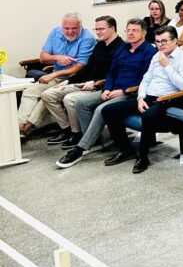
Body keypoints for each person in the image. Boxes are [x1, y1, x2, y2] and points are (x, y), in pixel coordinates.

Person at [56, 19, 157, 168]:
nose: (130, 33)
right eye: (128, 30)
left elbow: (147, 80)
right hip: (112, 89)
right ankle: (93, 139)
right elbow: (111, 72)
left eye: (134, 30)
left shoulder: (149, 52)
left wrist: (121, 91)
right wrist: (107, 89)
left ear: (144, 32)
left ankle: (81, 149)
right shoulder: (123, 49)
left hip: (131, 93)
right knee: (81, 103)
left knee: (101, 109)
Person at [101, 25, 183, 174]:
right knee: (108, 110)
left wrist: (167, 66)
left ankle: (143, 157)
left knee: (148, 116)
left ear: (175, 41)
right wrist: (140, 98)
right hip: (149, 97)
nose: (160, 45)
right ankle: (126, 150)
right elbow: (146, 79)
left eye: (164, 41)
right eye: (157, 41)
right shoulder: (156, 56)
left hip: (169, 99)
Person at [40, 16, 123, 147]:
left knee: (69, 99)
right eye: (96, 29)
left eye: (102, 29)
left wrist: (96, 81)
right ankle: (67, 129)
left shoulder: (121, 48)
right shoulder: (100, 45)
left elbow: (116, 74)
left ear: (112, 28)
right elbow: (87, 67)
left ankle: (77, 133)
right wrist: (69, 81)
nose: (99, 32)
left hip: (101, 85)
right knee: (48, 94)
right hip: (86, 82)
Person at [17, 13, 96, 135]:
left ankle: (24, 130)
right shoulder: (55, 32)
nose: (70, 31)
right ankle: (19, 125)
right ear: (62, 26)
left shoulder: (87, 38)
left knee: (46, 97)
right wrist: (57, 57)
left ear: (80, 26)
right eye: (66, 28)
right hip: (57, 76)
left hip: (75, 78)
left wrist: (53, 75)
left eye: (74, 28)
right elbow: (43, 58)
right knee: (29, 92)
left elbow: (80, 66)